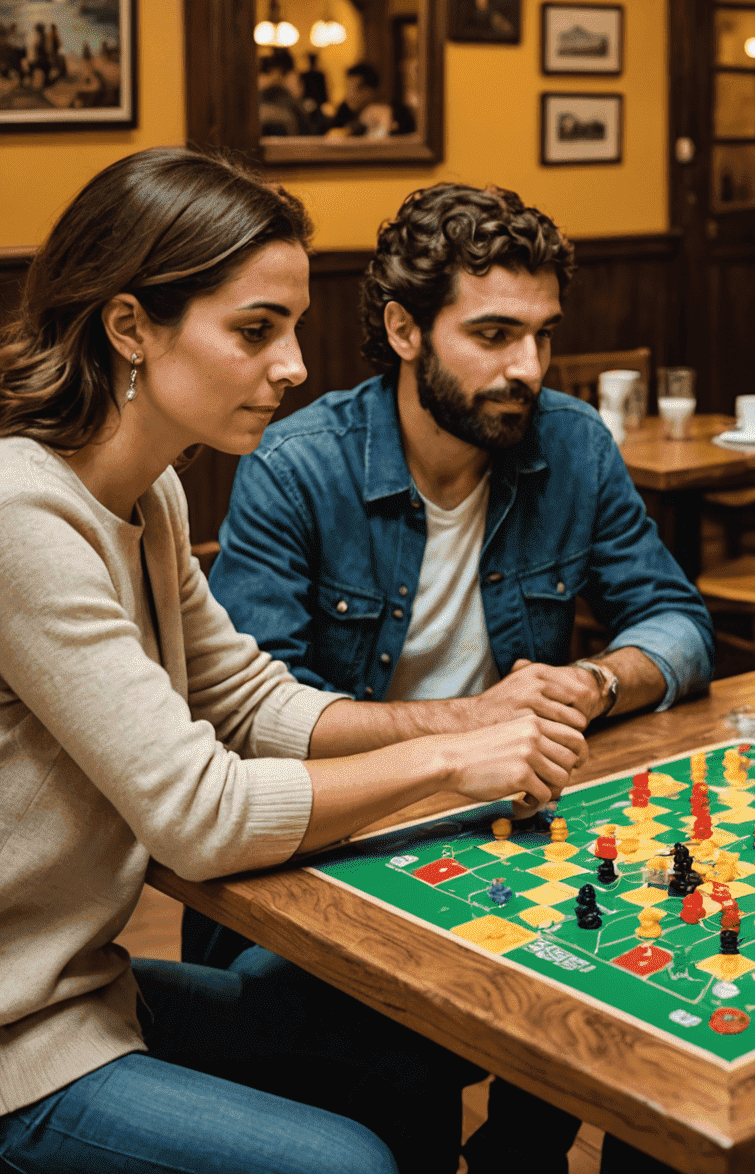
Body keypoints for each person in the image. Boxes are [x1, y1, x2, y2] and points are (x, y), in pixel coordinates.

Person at [0, 147, 588, 1174]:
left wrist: (467, 717)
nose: (297, 367)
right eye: (256, 331)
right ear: (131, 326)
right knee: (344, 1164)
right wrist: (453, 765)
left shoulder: (154, 495)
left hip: (86, 989)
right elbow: (201, 813)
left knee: (414, 1037)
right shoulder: (23, 516)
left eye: (294, 328)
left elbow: (253, 699)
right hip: (16, 1042)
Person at [204, 179, 714, 1172]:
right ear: (403, 328)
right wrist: (467, 727)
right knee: (402, 1120)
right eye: (491, 335)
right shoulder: (296, 467)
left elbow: (678, 622)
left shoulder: (571, 443)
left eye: (541, 335)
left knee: (666, 983)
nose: (527, 368)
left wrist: (598, 685)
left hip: (516, 830)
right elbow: (254, 720)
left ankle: (529, 1144)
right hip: (338, 851)